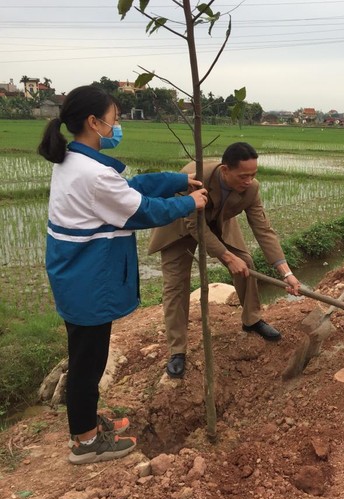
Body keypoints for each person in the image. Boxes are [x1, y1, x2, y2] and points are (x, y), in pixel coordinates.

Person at [38, 85, 208, 464]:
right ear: (93, 122)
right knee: (88, 362)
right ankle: (85, 443)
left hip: (77, 275)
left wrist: (178, 180)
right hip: (89, 281)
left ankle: (87, 424)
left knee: (86, 355)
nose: (118, 126)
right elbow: (141, 210)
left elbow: (130, 188)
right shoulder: (92, 174)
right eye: (114, 119)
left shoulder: (77, 162)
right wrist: (189, 202)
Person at [148, 142, 301, 378]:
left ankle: (252, 319)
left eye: (253, 174)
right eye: (243, 175)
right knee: (176, 285)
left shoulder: (251, 189)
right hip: (179, 224)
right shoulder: (194, 178)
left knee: (246, 263)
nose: (249, 180)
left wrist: (286, 273)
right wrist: (226, 257)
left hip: (218, 222)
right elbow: (193, 225)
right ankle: (177, 350)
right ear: (224, 169)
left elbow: (264, 230)